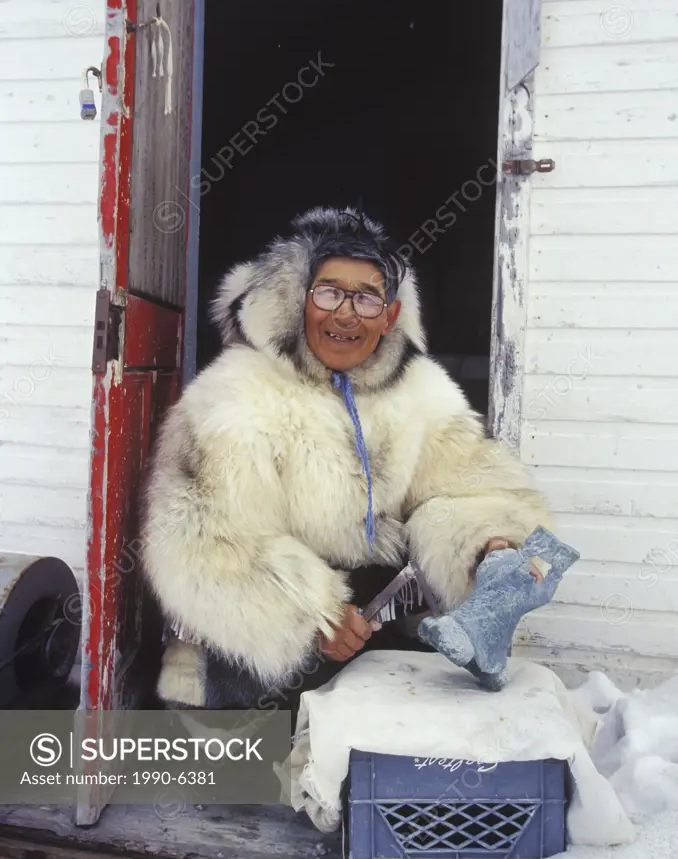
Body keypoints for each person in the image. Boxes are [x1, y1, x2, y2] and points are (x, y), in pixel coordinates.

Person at [141, 207, 551, 712]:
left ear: (390, 315)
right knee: (272, 756)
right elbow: (204, 545)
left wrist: (489, 547)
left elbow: (468, 485)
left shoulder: (420, 391)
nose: (345, 314)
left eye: (366, 297)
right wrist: (319, 618)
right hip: (257, 643)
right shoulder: (233, 397)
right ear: (298, 301)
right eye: (329, 292)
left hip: (373, 616)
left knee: (416, 721)